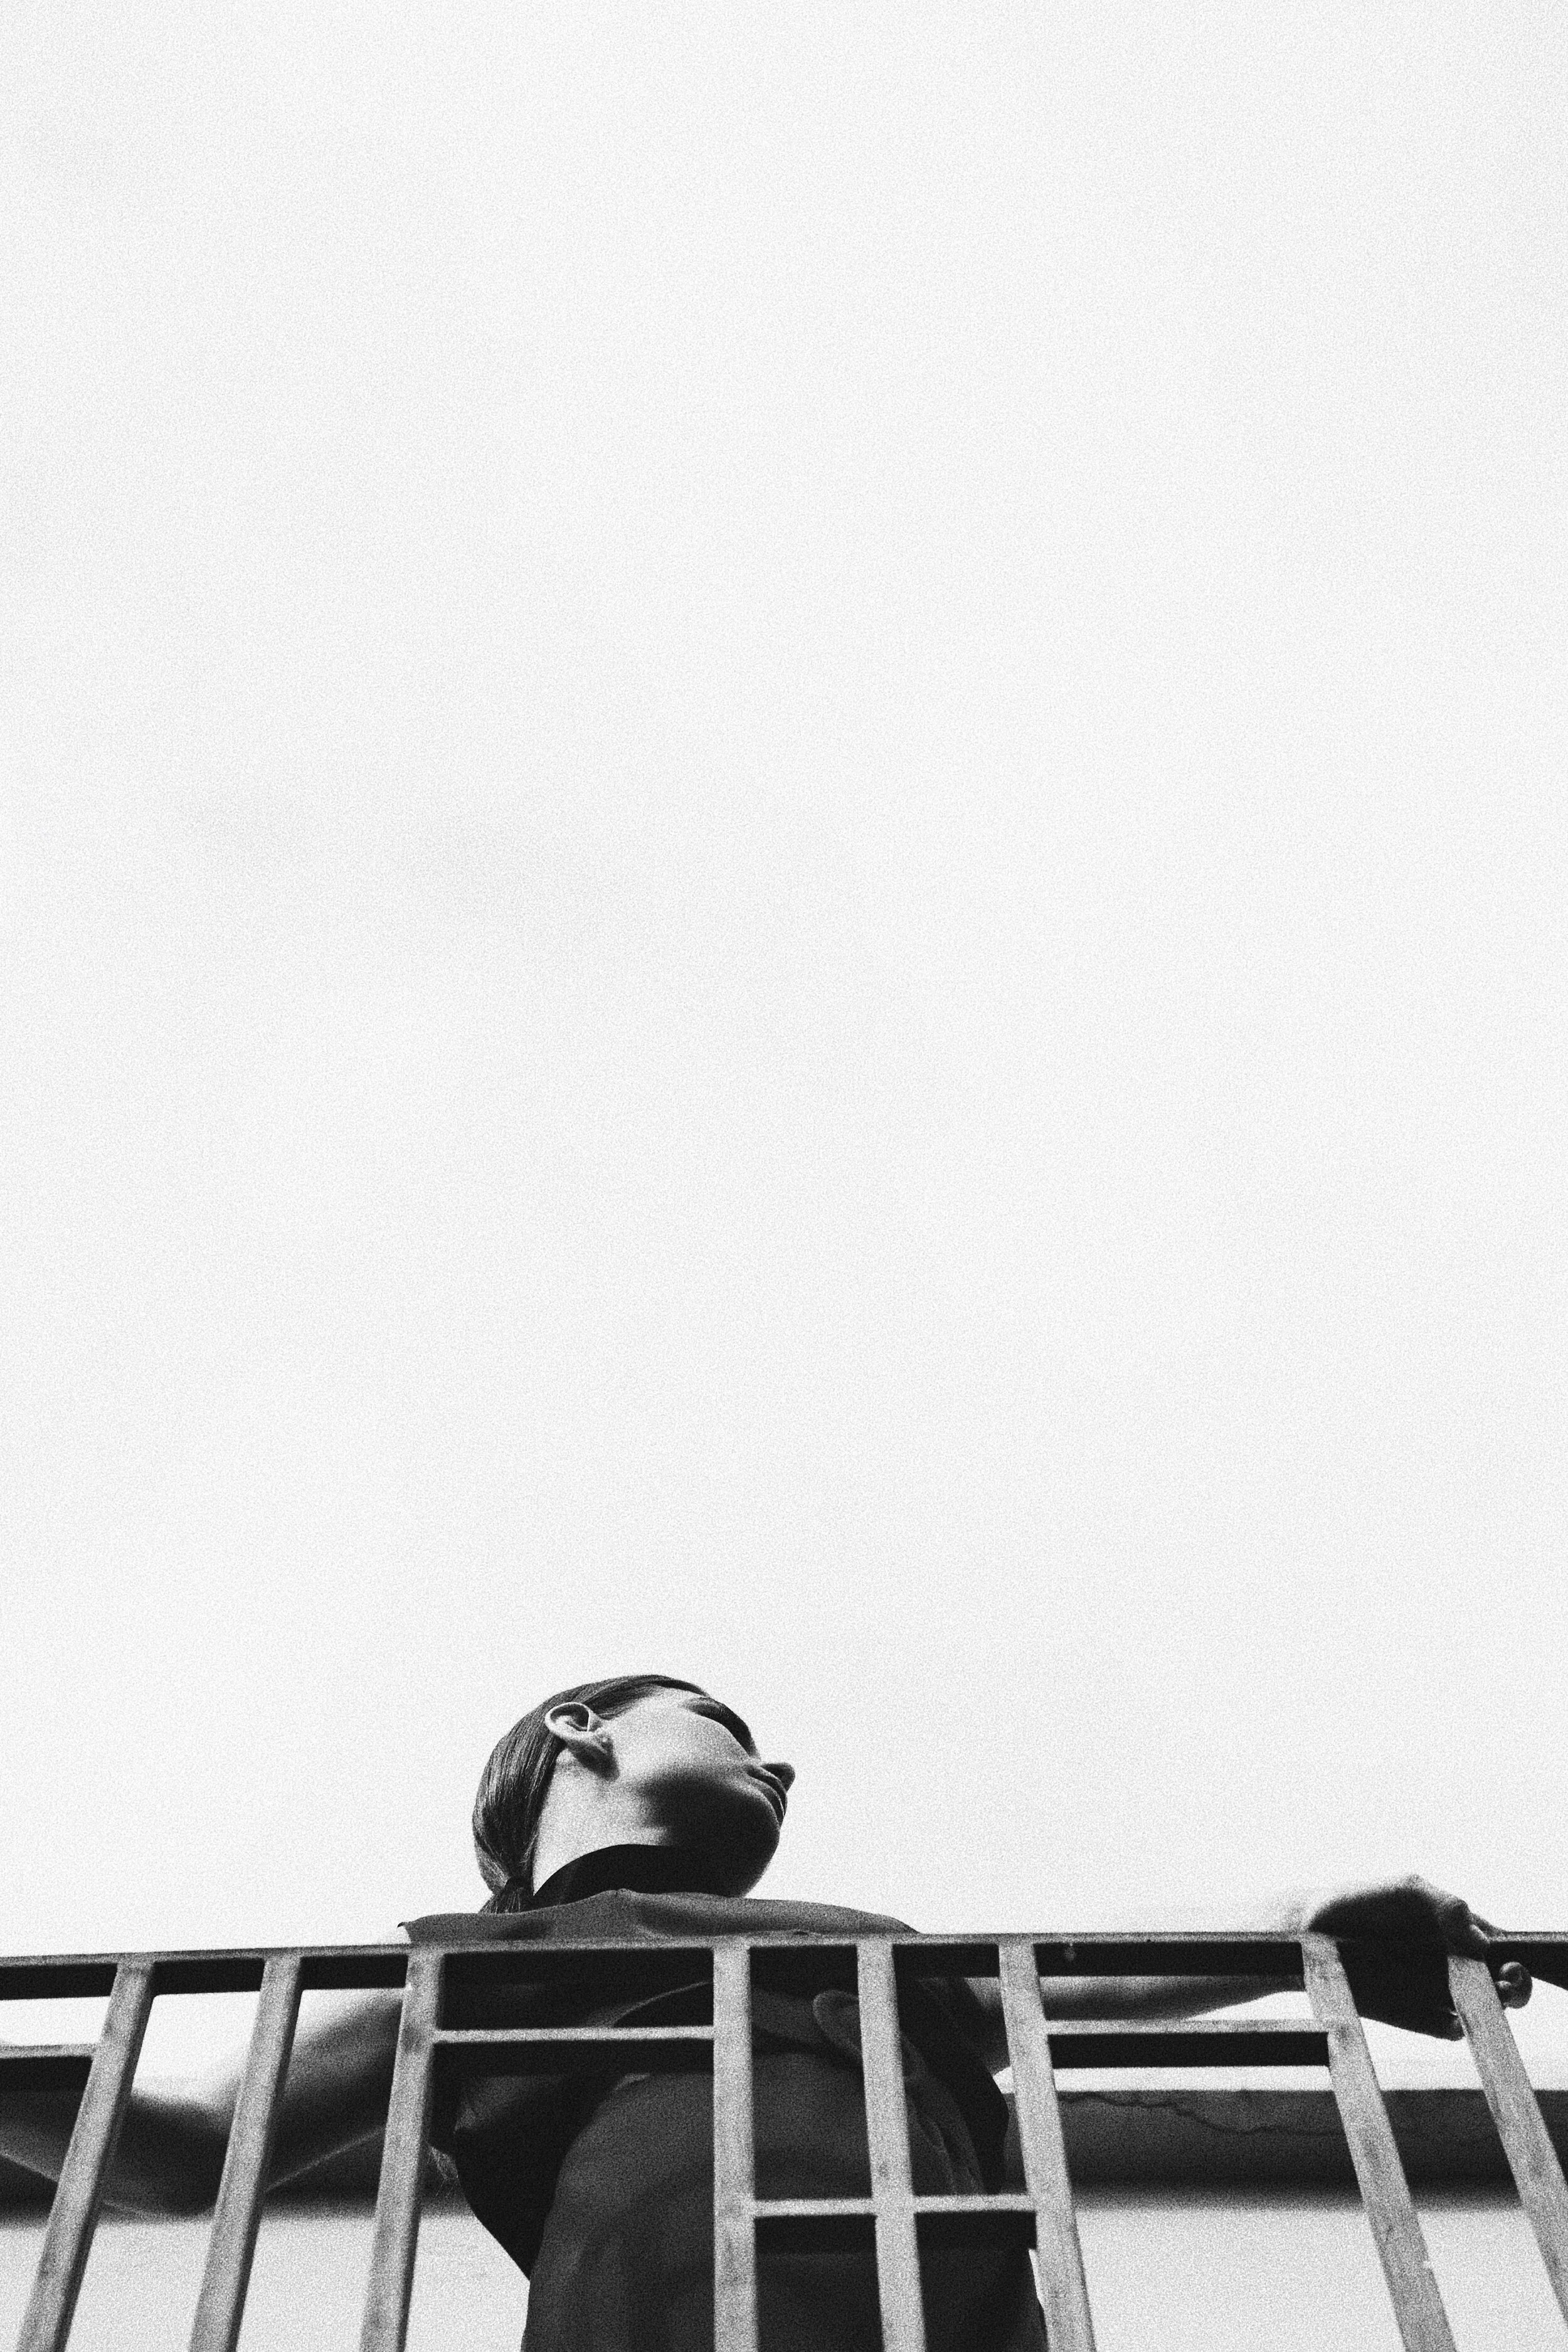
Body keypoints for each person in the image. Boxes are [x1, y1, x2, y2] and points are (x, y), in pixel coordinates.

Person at [0, 1673, 1534, 2351]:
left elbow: (1078, 1973)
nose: (778, 1769)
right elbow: (187, 2145)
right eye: (730, 1727)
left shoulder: (860, 1945)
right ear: (577, 1730)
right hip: (665, 2319)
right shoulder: (463, 1961)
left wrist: (1300, 1935)